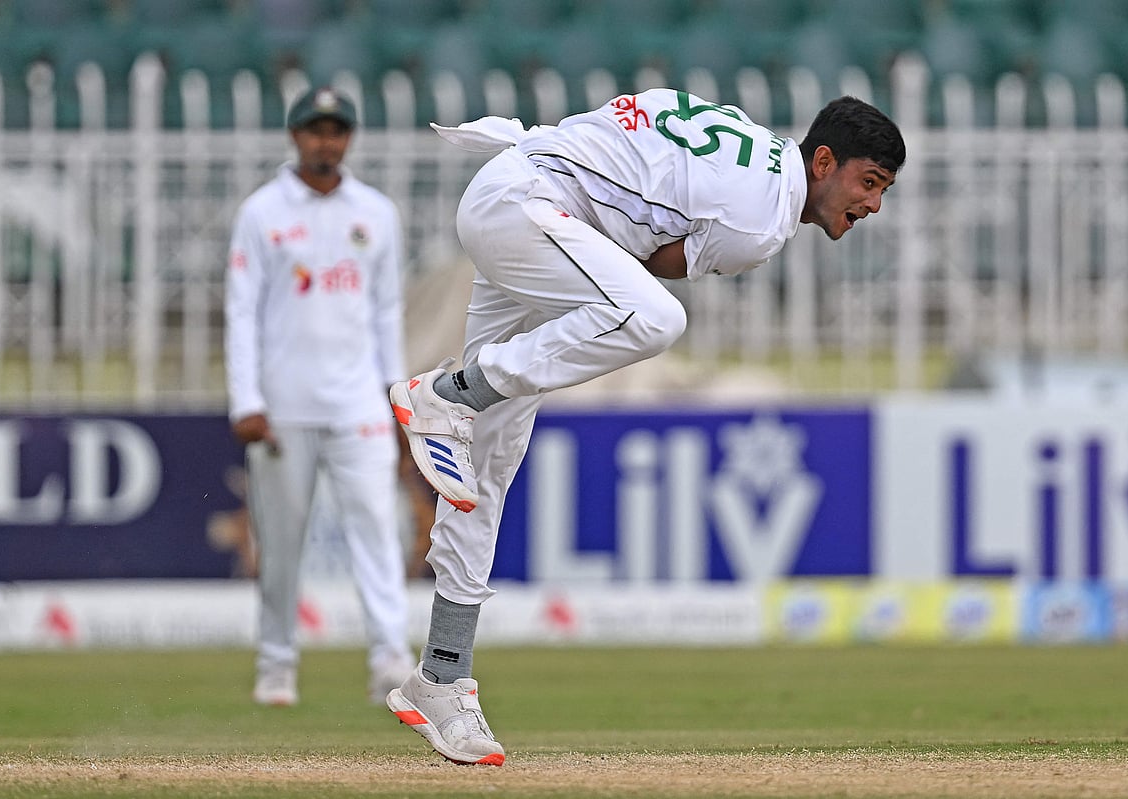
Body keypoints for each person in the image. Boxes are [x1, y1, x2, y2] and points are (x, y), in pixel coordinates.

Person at [385, 88, 906, 765]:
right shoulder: (762, 222)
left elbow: (636, 113)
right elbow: (651, 265)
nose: (872, 204)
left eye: (883, 189)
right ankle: (449, 392)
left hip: (523, 198)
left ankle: (441, 677)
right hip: (529, 210)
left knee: (488, 465)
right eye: (868, 182)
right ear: (824, 161)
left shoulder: (746, 136)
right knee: (655, 318)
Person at [224, 86, 416, 707]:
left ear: (349, 138)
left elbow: (387, 312)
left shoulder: (377, 212)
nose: (325, 141)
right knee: (279, 543)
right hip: (283, 406)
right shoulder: (263, 212)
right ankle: (276, 659)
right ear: (295, 135)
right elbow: (241, 311)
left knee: (378, 529)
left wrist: (397, 397)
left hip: (357, 401)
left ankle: (390, 656)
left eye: (336, 130)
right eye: (315, 130)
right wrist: (245, 400)